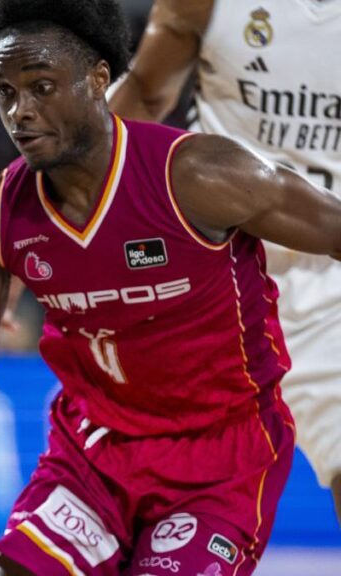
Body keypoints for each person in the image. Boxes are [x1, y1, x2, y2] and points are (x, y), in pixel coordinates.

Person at [0, 0, 341, 574]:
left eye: (42, 87)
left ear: (99, 79)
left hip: (220, 455)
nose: (21, 111)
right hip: (94, 452)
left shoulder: (199, 177)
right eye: (6, 92)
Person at [108, 0, 341, 526]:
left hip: (333, 261)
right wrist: (31, 208)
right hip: (217, 268)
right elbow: (142, 98)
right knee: (166, 508)